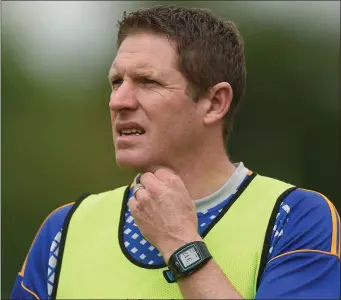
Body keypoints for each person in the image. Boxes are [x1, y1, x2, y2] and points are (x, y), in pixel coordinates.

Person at [11, 5, 340, 300]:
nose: (118, 101)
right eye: (116, 82)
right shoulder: (63, 229)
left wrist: (181, 244)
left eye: (147, 81)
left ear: (214, 103)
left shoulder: (296, 217)